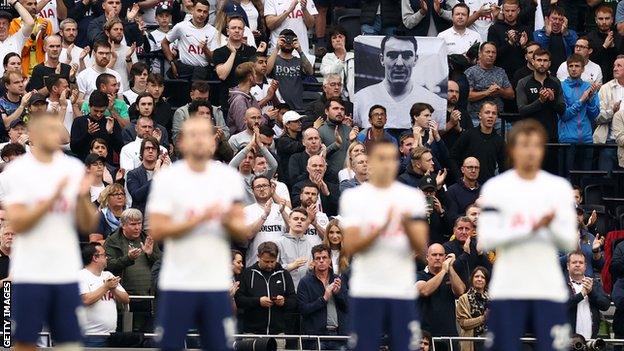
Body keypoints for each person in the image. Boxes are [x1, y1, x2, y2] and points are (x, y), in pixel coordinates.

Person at [147, 115, 249, 349]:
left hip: (215, 281)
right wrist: (199, 218)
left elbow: (242, 231)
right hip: (178, 281)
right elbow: (158, 230)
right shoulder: (168, 179)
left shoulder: (229, 178)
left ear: (214, 142)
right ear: (182, 142)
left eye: (205, 134)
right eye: (194, 134)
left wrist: (223, 216)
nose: (200, 140)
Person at [478, 119, 577, 351]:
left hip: (548, 287)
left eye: (536, 145)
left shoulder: (558, 187)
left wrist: (549, 226)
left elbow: (570, 240)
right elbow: (487, 239)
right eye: (524, 144)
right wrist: (533, 227)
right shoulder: (495, 188)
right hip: (508, 287)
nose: (530, 151)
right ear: (512, 149)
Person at [3, 111, 98, 351]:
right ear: (32, 134)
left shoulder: (73, 167)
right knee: (25, 341)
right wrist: (52, 197)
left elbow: (87, 225)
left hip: (64, 270)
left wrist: (82, 198)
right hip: (30, 270)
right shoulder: (17, 171)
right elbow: (19, 222)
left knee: (70, 342)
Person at [340, 140, 429, 350]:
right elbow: (351, 245)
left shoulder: (411, 196)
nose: (387, 164)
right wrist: (382, 227)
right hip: (366, 287)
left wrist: (405, 223)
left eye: (392, 158)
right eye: (382, 158)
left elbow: (422, 249)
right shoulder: (354, 197)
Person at [354, 36, 446, 130]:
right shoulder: (361, 99)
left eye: (406, 56)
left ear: (415, 59)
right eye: (392, 55)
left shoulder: (436, 103)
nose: (399, 63)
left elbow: (438, 136)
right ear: (382, 59)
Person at [234, 241, 297, 335]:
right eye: (266, 261)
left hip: (278, 333)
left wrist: (284, 302)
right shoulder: (247, 273)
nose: (270, 265)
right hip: (252, 333)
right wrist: (258, 301)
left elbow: (294, 301)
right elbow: (239, 300)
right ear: (258, 256)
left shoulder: (284, 274)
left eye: (273, 261)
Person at [297, 244, 349, 350]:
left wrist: (338, 294)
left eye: (324, 257)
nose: (321, 261)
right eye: (318, 258)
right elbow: (303, 310)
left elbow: (348, 307)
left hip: (339, 336)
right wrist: (324, 298)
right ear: (313, 261)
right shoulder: (305, 282)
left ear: (330, 260)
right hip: (316, 337)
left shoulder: (338, 280)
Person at [79, 242, 130, 347]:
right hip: (91, 336)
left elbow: (126, 299)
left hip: (111, 335)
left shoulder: (108, 275)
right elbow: (85, 300)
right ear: (95, 258)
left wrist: (113, 289)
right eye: (104, 255)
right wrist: (106, 287)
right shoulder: (81, 276)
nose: (107, 257)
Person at [417, 244, 465, 350]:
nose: (438, 258)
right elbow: (424, 291)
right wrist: (443, 270)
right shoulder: (419, 275)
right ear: (427, 257)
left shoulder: (450, 276)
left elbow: (461, 291)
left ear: (445, 257)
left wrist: (450, 267)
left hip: (449, 336)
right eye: (434, 255)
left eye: (441, 255)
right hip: (427, 337)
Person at [558, 53, 600, 176]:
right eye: (571, 66)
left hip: (586, 140)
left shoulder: (588, 87)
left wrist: (591, 99)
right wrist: (582, 100)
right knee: (568, 179)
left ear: (583, 69)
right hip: (567, 141)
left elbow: (594, 115)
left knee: (585, 179)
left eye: (577, 66)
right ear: (567, 68)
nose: (574, 68)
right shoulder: (561, 87)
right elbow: (564, 115)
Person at [516, 48, 565, 144]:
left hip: (551, 135)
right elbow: (522, 110)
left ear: (549, 63)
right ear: (533, 62)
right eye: (539, 60)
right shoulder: (523, 82)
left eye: (545, 60)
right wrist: (540, 101)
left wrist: (552, 100)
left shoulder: (555, 82)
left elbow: (562, 110)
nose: (542, 63)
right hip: (530, 136)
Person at [162, 0, 219, 80]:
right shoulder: (181, 27)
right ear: (192, 10)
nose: (201, 14)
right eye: (199, 10)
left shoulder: (213, 31)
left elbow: (213, 60)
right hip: (184, 71)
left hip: (202, 72)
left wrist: (205, 49)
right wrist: (171, 62)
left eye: (205, 12)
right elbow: (164, 43)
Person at [450, 102, 505, 184]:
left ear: (496, 117)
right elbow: (452, 157)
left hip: (486, 188)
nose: (490, 116)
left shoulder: (499, 141)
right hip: (466, 186)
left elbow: (504, 167)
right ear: (480, 115)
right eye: (487, 112)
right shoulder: (468, 135)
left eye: (494, 113)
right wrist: (459, 178)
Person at [465, 42, 514, 128]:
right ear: (480, 54)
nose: (491, 55)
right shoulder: (470, 72)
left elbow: (511, 95)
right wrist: (487, 92)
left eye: (493, 52)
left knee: (511, 133)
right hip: (476, 118)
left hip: (497, 118)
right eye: (487, 52)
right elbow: (468, 95)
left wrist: (500, 91)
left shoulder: (500, 72)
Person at [213, 15, 259, 107]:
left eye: (240, 28)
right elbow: (222, 75)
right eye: (233, 28)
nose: (237, 30)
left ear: (243, 31)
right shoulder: (219, 52)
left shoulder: (252, 51)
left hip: (250, 97)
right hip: (228, 99)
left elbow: (258, 74)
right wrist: (233, 53)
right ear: (227, 31)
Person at [244, 175, 289, 267]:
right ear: (252, 191)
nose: (261, 189)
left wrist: (283, 212)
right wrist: (264, 215)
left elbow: (292, 232)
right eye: (258, 186)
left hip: (281, 264)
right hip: (255, 264)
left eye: (264, 185)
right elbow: (248, 234)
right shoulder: (246, 211)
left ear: (271, 188)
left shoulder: (284, 209)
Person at [566, 251, 611, 340]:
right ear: (568, 266)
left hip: (591, 339)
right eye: (574, 262)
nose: (578, 265)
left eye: (581, 262)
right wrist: (581, 294)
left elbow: (605, 305)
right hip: (568, 340)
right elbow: (561, 306)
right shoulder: (561, 283)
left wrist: (591, 292)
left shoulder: (594, 283)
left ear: (585, 266)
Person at [266, 29, 313, 111]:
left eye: (291, 39)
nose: (288, 42)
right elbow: (266, 71)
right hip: (279, 106)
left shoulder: (298, 60)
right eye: (285, 39)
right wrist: (277, 48)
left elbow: (310, 72)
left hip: (297, 105)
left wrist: (300, 51)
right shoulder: (273, 59)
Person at [70, 90, 124, 161]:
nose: (98, 114)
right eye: (95, 111)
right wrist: (88, 134)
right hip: (84, 165)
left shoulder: (111, 122)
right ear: (89, 106)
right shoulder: (79, 121)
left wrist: (111, 133)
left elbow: (120, 149)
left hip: (106, 166)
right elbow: (74, 148)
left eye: (102, 111)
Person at [278, 207, 323, 289]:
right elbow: (272, 269)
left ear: (306, 224)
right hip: (285, 292)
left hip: (306, 292)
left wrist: (311, 269)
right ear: (289, 221)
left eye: (302, 220)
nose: (299, 221)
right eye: (296, 219)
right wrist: (291, 266)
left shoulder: (311, 245)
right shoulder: (278, 243)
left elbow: (313, 273)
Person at [487, 0, 530, 79]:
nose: (510, 14)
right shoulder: (494, 29)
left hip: (522, 74)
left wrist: (524, 46)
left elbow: (532, 56)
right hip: (500, 74)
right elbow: (493, 55)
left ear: (518, 11)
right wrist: (510, 43)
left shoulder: (525, 29)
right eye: (507, 10)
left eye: (513, 11)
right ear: (502, 11)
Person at [594, 55, 624, 171]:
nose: (615, 68)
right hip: (609, 142)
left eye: (619, 66)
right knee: (606, 181)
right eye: (614, 66)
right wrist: (612, 112)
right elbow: (597, 118)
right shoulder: (605, 88)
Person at [127, 136, 170, 214]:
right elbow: (137, 196)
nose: (150, 151)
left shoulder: (165, 173)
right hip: (141, 220)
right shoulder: (132, 174)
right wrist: (156, 177)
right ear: (142, 152)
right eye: (147, 148)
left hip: (162, 218)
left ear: (157, 153)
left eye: (153, 148)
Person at [318, 98, 358, 173]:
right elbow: (318, 156)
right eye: (335, 108)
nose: (339, 111)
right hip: (329, 179)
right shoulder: (320, 131)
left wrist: (352, 141)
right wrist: (336, 145)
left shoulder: (349, 129)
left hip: (349, 177)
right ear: (326, 111)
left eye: (342, 109)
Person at [533, 6, 579, 70]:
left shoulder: (571, 34)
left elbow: (577, 50)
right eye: (554, 19)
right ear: (546, 19)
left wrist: (566, 34)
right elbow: (538, 51)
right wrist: (547, 34)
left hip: (566, 71)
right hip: (544, 71)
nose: (557, 22)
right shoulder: (537, 34)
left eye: (560, 20)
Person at [456, 266, 490, 351]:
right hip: (472, 343)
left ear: (486, 281)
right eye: (477, 276)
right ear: (472, 279)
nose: (479, 279)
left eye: (483, 277)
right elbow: (463, 323)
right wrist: (483, 318)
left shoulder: (492, 299)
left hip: (489, 342)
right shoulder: (463, 298)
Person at [228, 64, 265, 135]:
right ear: (250, 77)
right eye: (255, 74)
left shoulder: (251, 97)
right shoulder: (239, 100)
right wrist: (267, 117)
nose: (257, 76)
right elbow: (243, 128)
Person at [320, 27, 355, 100]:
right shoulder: (327, 57)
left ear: (345, 39)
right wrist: (341, 57)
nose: (338, 40)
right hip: (333, 98)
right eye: (334, 38)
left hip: (353, 97)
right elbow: (329, 74)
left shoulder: (354, 57)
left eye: (340, 37)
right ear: (331, 42)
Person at [0, 3, 34, 77]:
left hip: (14, 84)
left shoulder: (16, 39)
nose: (1, 26)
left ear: (9, 26)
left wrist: (15, 2)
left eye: (4, 23)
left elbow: (30, 23)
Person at [587, 6, 618, 82]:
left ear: (612, 20)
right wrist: (604, 46)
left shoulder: (619, 37)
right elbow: (589, 61)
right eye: (601, 19)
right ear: (596, 20)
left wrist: (612, 48)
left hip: (616, 79)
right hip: (595, 80)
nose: (604, 22)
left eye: (607, 18)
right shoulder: (589, 38)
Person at [446, 157, 481, 224]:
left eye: (476, 168)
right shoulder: (453, 190)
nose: (473, 170)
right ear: (462, 169)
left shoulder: (484, 190)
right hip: (462, 231)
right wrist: (473, 208)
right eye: (470, 167)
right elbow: (452, 218)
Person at [442, 80, 472, 150]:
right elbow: (432, 135)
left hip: (459, 154)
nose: (454, 94)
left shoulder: (463, 113)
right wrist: (451, 123)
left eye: (457, 92)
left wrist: (459, 129)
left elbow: (471, 137)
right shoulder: (436, 111)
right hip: (440, 154)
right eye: (451, 91)